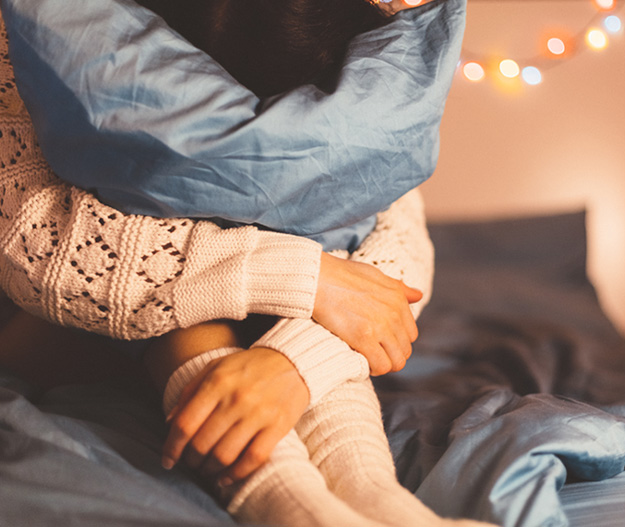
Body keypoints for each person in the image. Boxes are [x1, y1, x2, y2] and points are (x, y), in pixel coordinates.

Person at [0, 0, 493, 525]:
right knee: (212, 275)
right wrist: (306, 278)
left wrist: (292, 366)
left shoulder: (361, 61)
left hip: (269, 306)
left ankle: (371, 491)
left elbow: (392, 254)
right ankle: (281, 496)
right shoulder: (45, 36)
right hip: (65, 322)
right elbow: (39, 242)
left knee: (330, 239)